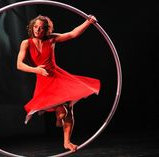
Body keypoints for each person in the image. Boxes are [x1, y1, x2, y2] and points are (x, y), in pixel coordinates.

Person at [17, 15, 100, 152]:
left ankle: (67, 142)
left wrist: (88, 22)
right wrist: (36, 70)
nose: (38, 30)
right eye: (36, 27)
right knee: (63, 112)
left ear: (47, 30)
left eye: (42, 28)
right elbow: (19, 65)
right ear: (31, 27)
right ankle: (58, 115)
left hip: (58, 77)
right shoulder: (26, 43)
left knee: (68, 109)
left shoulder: (51, 39)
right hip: (44, 81)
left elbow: (72, 34)